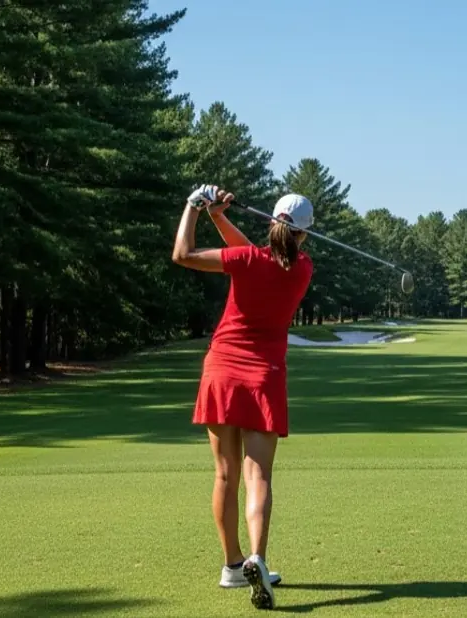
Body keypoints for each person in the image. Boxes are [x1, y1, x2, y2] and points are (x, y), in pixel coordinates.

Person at [171, 184, 314, 610]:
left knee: (225, 475)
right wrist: (218, 216)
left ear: (272, 222)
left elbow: (183, 254)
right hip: (264, 377)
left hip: (222, 371)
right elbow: (261, 254)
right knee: (259, 476)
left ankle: (232, 565)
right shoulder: (302, 268)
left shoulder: (247, 260)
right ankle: (257, 558)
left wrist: (194, 208)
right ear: (304, 235)